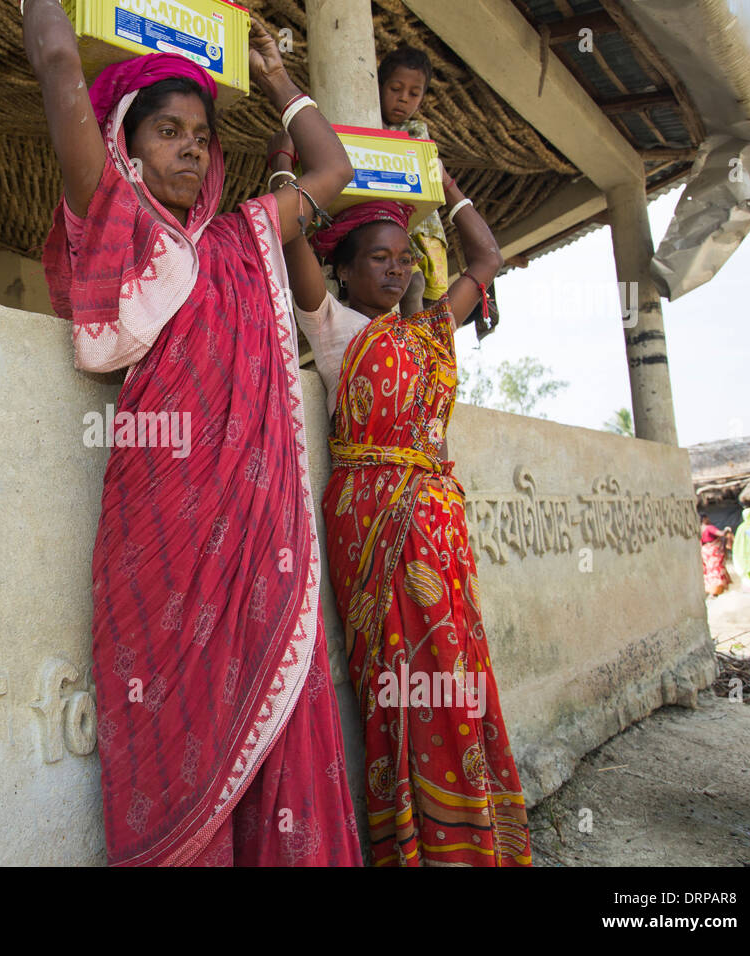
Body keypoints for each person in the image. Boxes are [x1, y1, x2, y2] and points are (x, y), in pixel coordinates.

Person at [23, 2, 361, 866]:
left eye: (202, 136)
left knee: (272, 724)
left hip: (260, 548)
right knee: (175, 743)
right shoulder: (121, 229)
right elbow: (61, 67)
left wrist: (277, 72)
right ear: (124, 146)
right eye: (166, 131)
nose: (189, 148)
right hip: (161, 538)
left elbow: (333, 167)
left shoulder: (245, 239)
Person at [278, 165, 532, 865]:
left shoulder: (429, 331)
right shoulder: (330, 327)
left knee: (458, 673)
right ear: (346, 271)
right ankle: (417, 845)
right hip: (374, 521)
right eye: (379, 259)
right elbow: (292, 228)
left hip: (438, 526)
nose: (396, 270)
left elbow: (487, 259)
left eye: (405, 259)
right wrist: (284, 139)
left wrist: (443, 184)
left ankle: (471, 838)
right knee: (402, 679)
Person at [379, 45, 449, 317]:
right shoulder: (364, 123)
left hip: (423, 228)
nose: (403, 99)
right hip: (396, 226)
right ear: (380, 86)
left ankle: (425, 351)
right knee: (414, 283)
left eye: (413, 93)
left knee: (434, 294)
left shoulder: (417, 131)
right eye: (395, 89)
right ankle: (408, 349)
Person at [700, 514, 731, 597]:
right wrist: (726, 530)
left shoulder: (699, 529)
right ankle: (716, 590)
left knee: (709, 569)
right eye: (707, 518)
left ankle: (710, 589)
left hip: (705, 551)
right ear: (704, 519)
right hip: (713, 552)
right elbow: (721, 534)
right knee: (716, 569)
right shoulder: (709, 528)